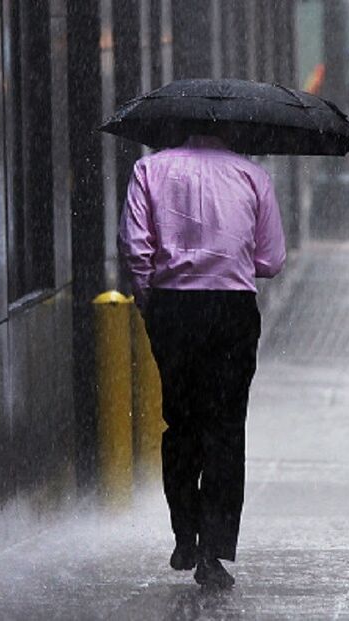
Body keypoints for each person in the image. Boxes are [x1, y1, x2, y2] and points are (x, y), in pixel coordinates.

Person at [118, 134, 285, 589]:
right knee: (226, 429)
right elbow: (271, 261)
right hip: (232, 309)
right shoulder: (253, 176)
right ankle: (214, 550)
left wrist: (151, 298)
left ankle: (184, 533)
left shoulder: (149, 171)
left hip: (173, 308)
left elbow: (136, 248)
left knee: (182, 422)